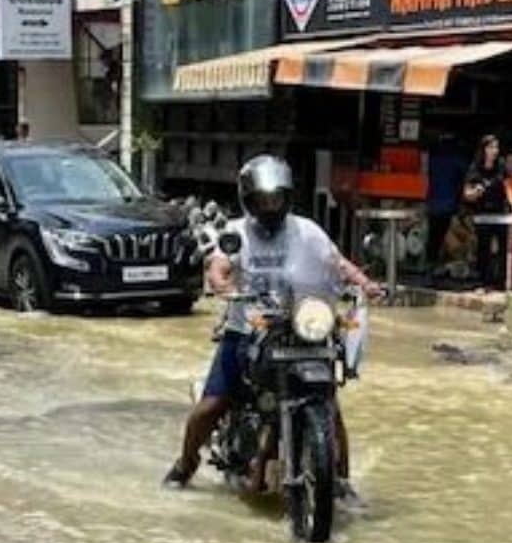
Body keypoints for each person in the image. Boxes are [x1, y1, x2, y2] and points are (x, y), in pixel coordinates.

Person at [163, 155, 382, 500]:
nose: (270, 205)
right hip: (247, 329)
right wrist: (223, 284)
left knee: (329, 404)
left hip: (301, 325)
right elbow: (218, 264)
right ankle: (185, 463)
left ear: (287, 196)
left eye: (276, 198)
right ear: (248, 199)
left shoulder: (307, 231)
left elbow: (337, 263)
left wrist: (364, 283)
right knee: (212, 406)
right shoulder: (236, 233)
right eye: (263, 199)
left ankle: (340, 480)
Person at [462, 134, 512, 289]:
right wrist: (475, 192)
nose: (494, 151)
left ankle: (501, 280)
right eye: (491, 147)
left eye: (496, 147)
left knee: (502, 247)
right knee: (483, 246)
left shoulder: (500, 165)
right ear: (484, 149)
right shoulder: (475, 167)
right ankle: (484, 280)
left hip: (500, 212)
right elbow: (467, 193)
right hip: (483, 213)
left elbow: (507, 186)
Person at [425, 133, 466, 275]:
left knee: (433, 237)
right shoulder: (457, 161)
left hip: (433, 204)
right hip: (449, 205)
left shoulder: (434, 160)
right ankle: (440, 266)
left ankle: (430, 265)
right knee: (444, 235)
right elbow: (462, 179)